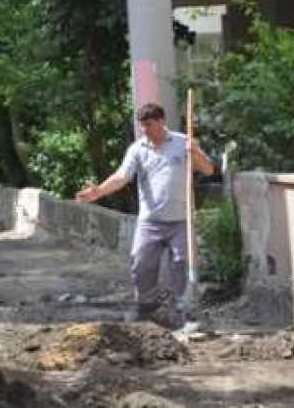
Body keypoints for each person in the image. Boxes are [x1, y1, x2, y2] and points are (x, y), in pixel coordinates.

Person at [75, 102, 214, 323]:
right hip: (150, 222)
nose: (144, 130)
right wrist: (98, 191)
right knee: (141, 265)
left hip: (181, 220)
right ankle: (148, 307)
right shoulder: (138, 149)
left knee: (182, 265)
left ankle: (184, 311)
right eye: (141, 126)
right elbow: (122, 176)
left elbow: (208, 169)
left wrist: (195, 152)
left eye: (148, 125)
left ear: (161, 122)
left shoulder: (183, 143)